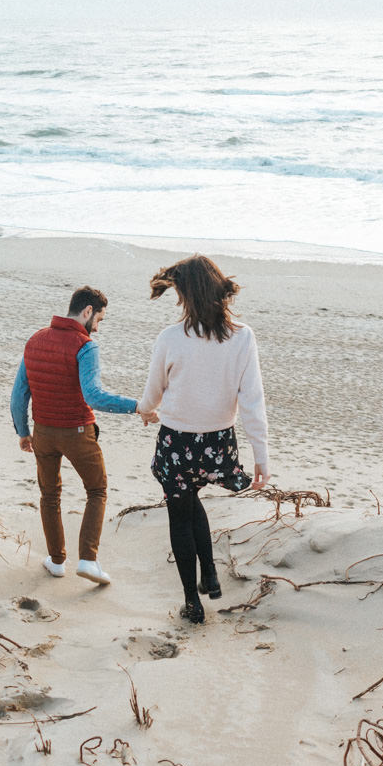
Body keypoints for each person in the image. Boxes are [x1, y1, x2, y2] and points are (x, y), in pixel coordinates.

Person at [137, 255, 269, 624]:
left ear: (186, 294)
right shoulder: (242, 336)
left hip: (177, 441)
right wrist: (262, 457)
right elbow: (252, 400)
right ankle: (209, 572)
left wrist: (146, 411)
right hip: (218, 444)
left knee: (180, 514)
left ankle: (192, 601)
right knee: (192, 502)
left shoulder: (170, 337)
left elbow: (153, 392)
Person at [11, 286, 140, 585]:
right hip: (78, 433)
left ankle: (57, 561)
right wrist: (135, 407)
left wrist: (23, 432)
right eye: (99, 320)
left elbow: (18, 396)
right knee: (96, 490)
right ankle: (88, 560)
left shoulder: (35, 340)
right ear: (87, 312)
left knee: (49, 495)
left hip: (42, 432)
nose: (98, 327)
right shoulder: (86, 346)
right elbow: (93, 396)